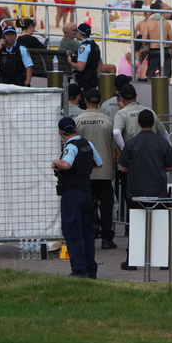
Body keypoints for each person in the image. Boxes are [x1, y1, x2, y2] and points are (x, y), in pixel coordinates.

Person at [116, 108, 172, 269]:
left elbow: (123, 168)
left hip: (135, 190)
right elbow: (171, 166)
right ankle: (164, 260)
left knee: (135, 225)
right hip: (158, 190)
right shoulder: (162, 142)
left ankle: (132, 260)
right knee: (160, 225)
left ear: (138, 124)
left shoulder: (131, 142)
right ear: (154, 123)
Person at [52, 116, 103, 278]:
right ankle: (90, 270)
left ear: (60, 132)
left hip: (72, 194)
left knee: (73, 231)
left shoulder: (70, 147)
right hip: (87, 193)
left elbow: (66, 164)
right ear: (76, 129)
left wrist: (56, 161)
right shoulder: (87, 144)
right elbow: (99, 163)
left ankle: (79, 270)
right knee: (87, 232)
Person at [75, 88, 119, 251]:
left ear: (85, 101)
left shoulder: (78, 121)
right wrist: (113, 168)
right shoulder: (108, 121)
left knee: (87, 204)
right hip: (105, 169)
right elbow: (114, 149)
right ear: (100, 102)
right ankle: (107, 238)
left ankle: (90, 233)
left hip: (85, 171)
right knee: (107, 205)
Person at [68, 22, 101, 91]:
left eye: (76, 32)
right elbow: (100, 63)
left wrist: (70, 62)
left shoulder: (84, 47)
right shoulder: (94, 45)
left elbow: (80, 67)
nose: (76, 34)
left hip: (85, 81)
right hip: (94, 80)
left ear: (80, 33)